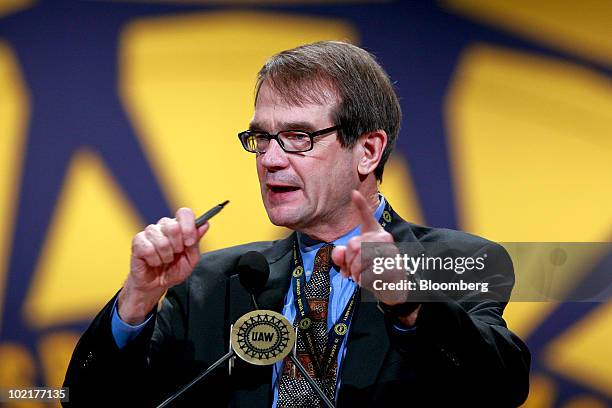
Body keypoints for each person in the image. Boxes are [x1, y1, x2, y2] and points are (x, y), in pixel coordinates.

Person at [63, 41, 530, 407]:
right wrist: (138, 297)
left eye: (297, 137)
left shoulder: (457, 260)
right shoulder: (210, 283)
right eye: (261, 138)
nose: (269, 159)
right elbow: (90, 401)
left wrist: (409, 304)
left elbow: (500, 388)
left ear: (367, 150)